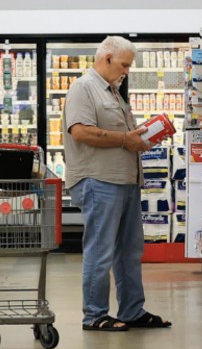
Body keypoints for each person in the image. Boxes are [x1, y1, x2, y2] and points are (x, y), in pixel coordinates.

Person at [61, 35, 172, 332]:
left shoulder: (113, 92)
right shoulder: (84, 88)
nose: (126, 71)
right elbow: (81, 132)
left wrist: (143, 137)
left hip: (125, 181)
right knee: (101, 250)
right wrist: (126, 139)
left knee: (129, 250)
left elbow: (123, 137)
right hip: (98, 181)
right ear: (106, 58)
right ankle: (95, 314)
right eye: (124, 64)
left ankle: (132, 310)